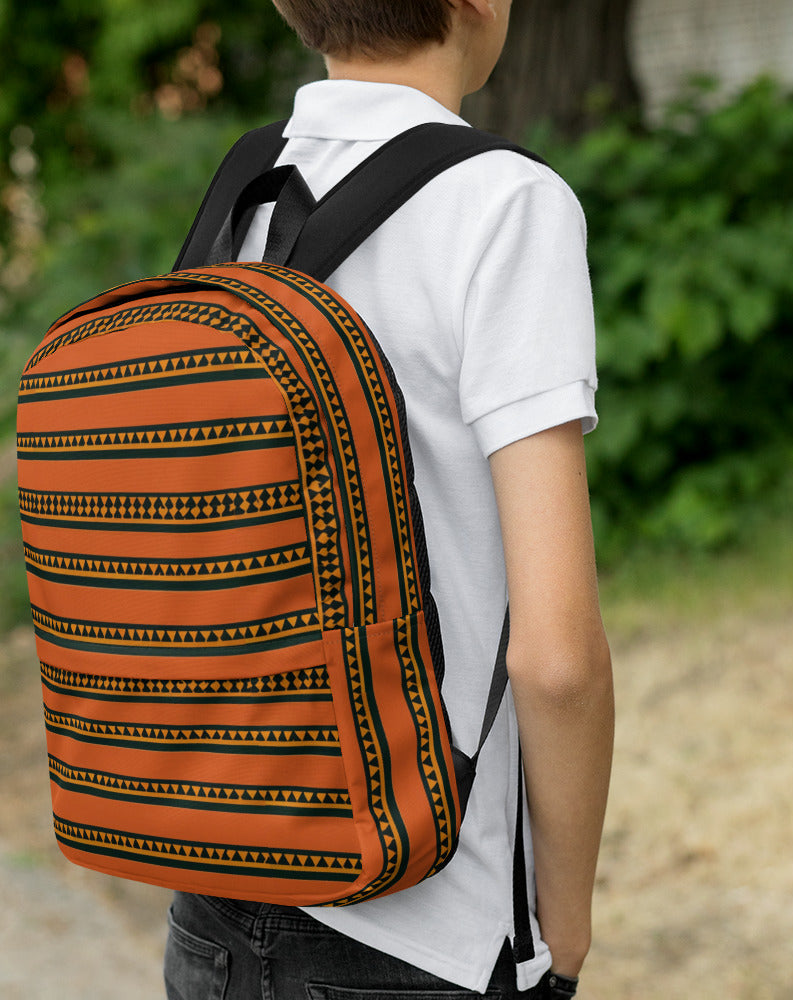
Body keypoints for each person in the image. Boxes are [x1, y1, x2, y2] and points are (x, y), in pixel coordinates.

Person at [164, 2, 614, 997]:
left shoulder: (243, 193)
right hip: (423, 926)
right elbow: (556, 658)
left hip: (212, 897)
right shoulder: (504, 204)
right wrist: (564, 927)